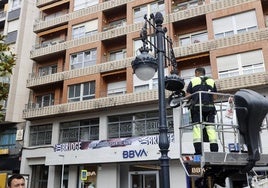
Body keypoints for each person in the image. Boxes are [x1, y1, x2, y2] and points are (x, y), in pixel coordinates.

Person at [186, 67, 218, 155]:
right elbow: (215, 97)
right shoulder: (211, 81)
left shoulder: (193, 80)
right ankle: (214, 151)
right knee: (211, 129)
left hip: (197, 108)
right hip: (210, 108)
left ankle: (198, 152)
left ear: (197, 72)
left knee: (197, 129)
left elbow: (188, 95)